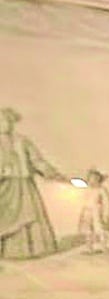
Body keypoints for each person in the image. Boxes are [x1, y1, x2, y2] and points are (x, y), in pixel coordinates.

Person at [0, 106, 65, 259]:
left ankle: (25, 251)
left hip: (24, 185)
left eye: (7, 121)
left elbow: (37, 161)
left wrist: (52, 173)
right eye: (1, 121)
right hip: (4, 186)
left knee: (28, 213)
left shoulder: (22, 141)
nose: (5, 124)